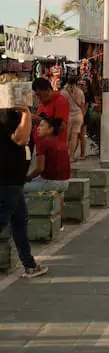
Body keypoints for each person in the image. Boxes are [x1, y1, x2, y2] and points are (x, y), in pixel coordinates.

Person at [0, 106, 48, 279]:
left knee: (20, 221)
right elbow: (20, 139)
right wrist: (26, 112)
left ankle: (29, 264)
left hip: (15, 182)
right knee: (3, 219)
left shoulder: (11, 115)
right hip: (8, 182)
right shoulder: (7, 121)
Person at [25, 116, 71, 194]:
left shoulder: (43, 143)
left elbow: (40, 169)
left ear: (51, 129)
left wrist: (27, 178)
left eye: (42, 126)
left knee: (19, 189)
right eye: (38, 125)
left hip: (51, 183)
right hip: (66, 182)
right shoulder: (61, 143)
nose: (38, 128)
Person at [32, 77, 69, 148]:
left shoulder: (60, 101)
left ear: (48, 90)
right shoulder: (44, 102)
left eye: (39, 94)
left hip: (54, 149)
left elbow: (62, 126)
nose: (38, 98)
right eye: (36, 95)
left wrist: (39, 120)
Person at [61, 75, 85, 160]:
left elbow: (62, 105)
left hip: (68, 115)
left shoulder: (63, 92)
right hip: (78, 115)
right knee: (74, 136)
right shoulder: (80, 92)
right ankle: (71, 156)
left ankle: (64, 155)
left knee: (66, 137)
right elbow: (82, 105)